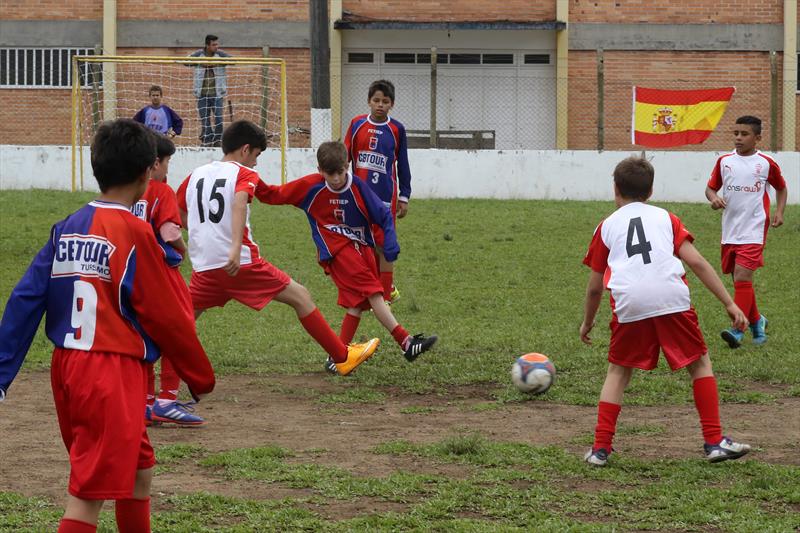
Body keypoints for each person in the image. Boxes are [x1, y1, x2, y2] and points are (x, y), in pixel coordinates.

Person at [0, 119, 215, 532]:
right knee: (87, 497)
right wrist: (199, 378)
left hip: (70, 367)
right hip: (109, 372)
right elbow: (170, 317)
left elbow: (25, 299)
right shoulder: (136, 234)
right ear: (147, 172)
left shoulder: (66, 228)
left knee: (139, 471)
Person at [580, 156, 751, 467]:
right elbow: (697, 262)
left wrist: (587, 322)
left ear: (616, 189)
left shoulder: (605, 226)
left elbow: (594, 287)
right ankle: (714, 441)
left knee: (618, 372)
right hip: (672, 299)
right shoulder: (667, 218)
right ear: (651, 191)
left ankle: (600, 449)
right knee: (699, 365)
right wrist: (728, 301)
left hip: (630, 303)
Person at [176, 120, 380, 376]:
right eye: (257, 156)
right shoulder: (244, 173)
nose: (256, 163)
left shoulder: (196, 174)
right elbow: (240, 202)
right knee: (301, 297)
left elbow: (178, 210)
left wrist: (201, 231)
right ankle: (342, 356)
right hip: (241, 263)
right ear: (245, 149)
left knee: (182, 320)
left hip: (205, 265)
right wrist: (234, 248)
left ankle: (147, 362)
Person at [255, 141, 438, 373]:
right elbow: (275, 194)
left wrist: (389, 239)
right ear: (320, 170)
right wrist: (249, 179)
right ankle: (407, 343)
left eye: (340, 172)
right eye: (329, 173)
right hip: (338, 252)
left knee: (357, 304)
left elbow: (382, 215)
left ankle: (337, 356)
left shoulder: (358, 187)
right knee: (374, 293)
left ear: (347, 167)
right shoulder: (311, 187)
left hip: (361, 249)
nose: (335, 179)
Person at [132, 134, 204, 426]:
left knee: (144, 337)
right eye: (167, 161)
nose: (168, 168)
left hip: (133, 272)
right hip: (161, 274)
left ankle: (146, 405)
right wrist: (183, 251)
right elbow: (170, 232)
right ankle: (167, 400)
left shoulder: (131, 191)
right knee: (178, 331)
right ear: (155, 162)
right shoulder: (161, 191)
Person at [705, 115, 787, 348]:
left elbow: (781, 188)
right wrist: (714, 199)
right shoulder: (724, 161)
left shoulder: (766, 163)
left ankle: (737, 329)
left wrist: (779, 212)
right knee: (740, 282)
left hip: (754, 228)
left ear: (757, 138)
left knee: (742, 277)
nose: (738, 138)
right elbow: (710, 188)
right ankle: (757, 321)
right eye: (736, 133)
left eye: (744, 134)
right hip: (730, 230)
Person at [344, 79, 411, 304]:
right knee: (364, 243)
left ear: (392, 104)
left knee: (384, 245)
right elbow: (345, 158)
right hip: (359, 197)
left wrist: (404, 195)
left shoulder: (396, 129)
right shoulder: (356, 125)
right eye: (376, 100)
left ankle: (384, 296)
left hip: (385, 198)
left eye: (385, 101)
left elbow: (403, 164)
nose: (380, 105)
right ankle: (383, 287)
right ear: (368, 101)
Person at [188, 34, 231, 147]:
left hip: (217, 93)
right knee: (205, 119)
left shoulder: (220, 54)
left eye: (217, 44)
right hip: (202, 93)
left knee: (218, 118)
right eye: (214, 44)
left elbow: (233, 60)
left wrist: (216, 63)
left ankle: (217, 140)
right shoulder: (199, 54)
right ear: (207, 45)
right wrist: (200, 63)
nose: (216, 46)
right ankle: (207, 140)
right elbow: (185, 61)